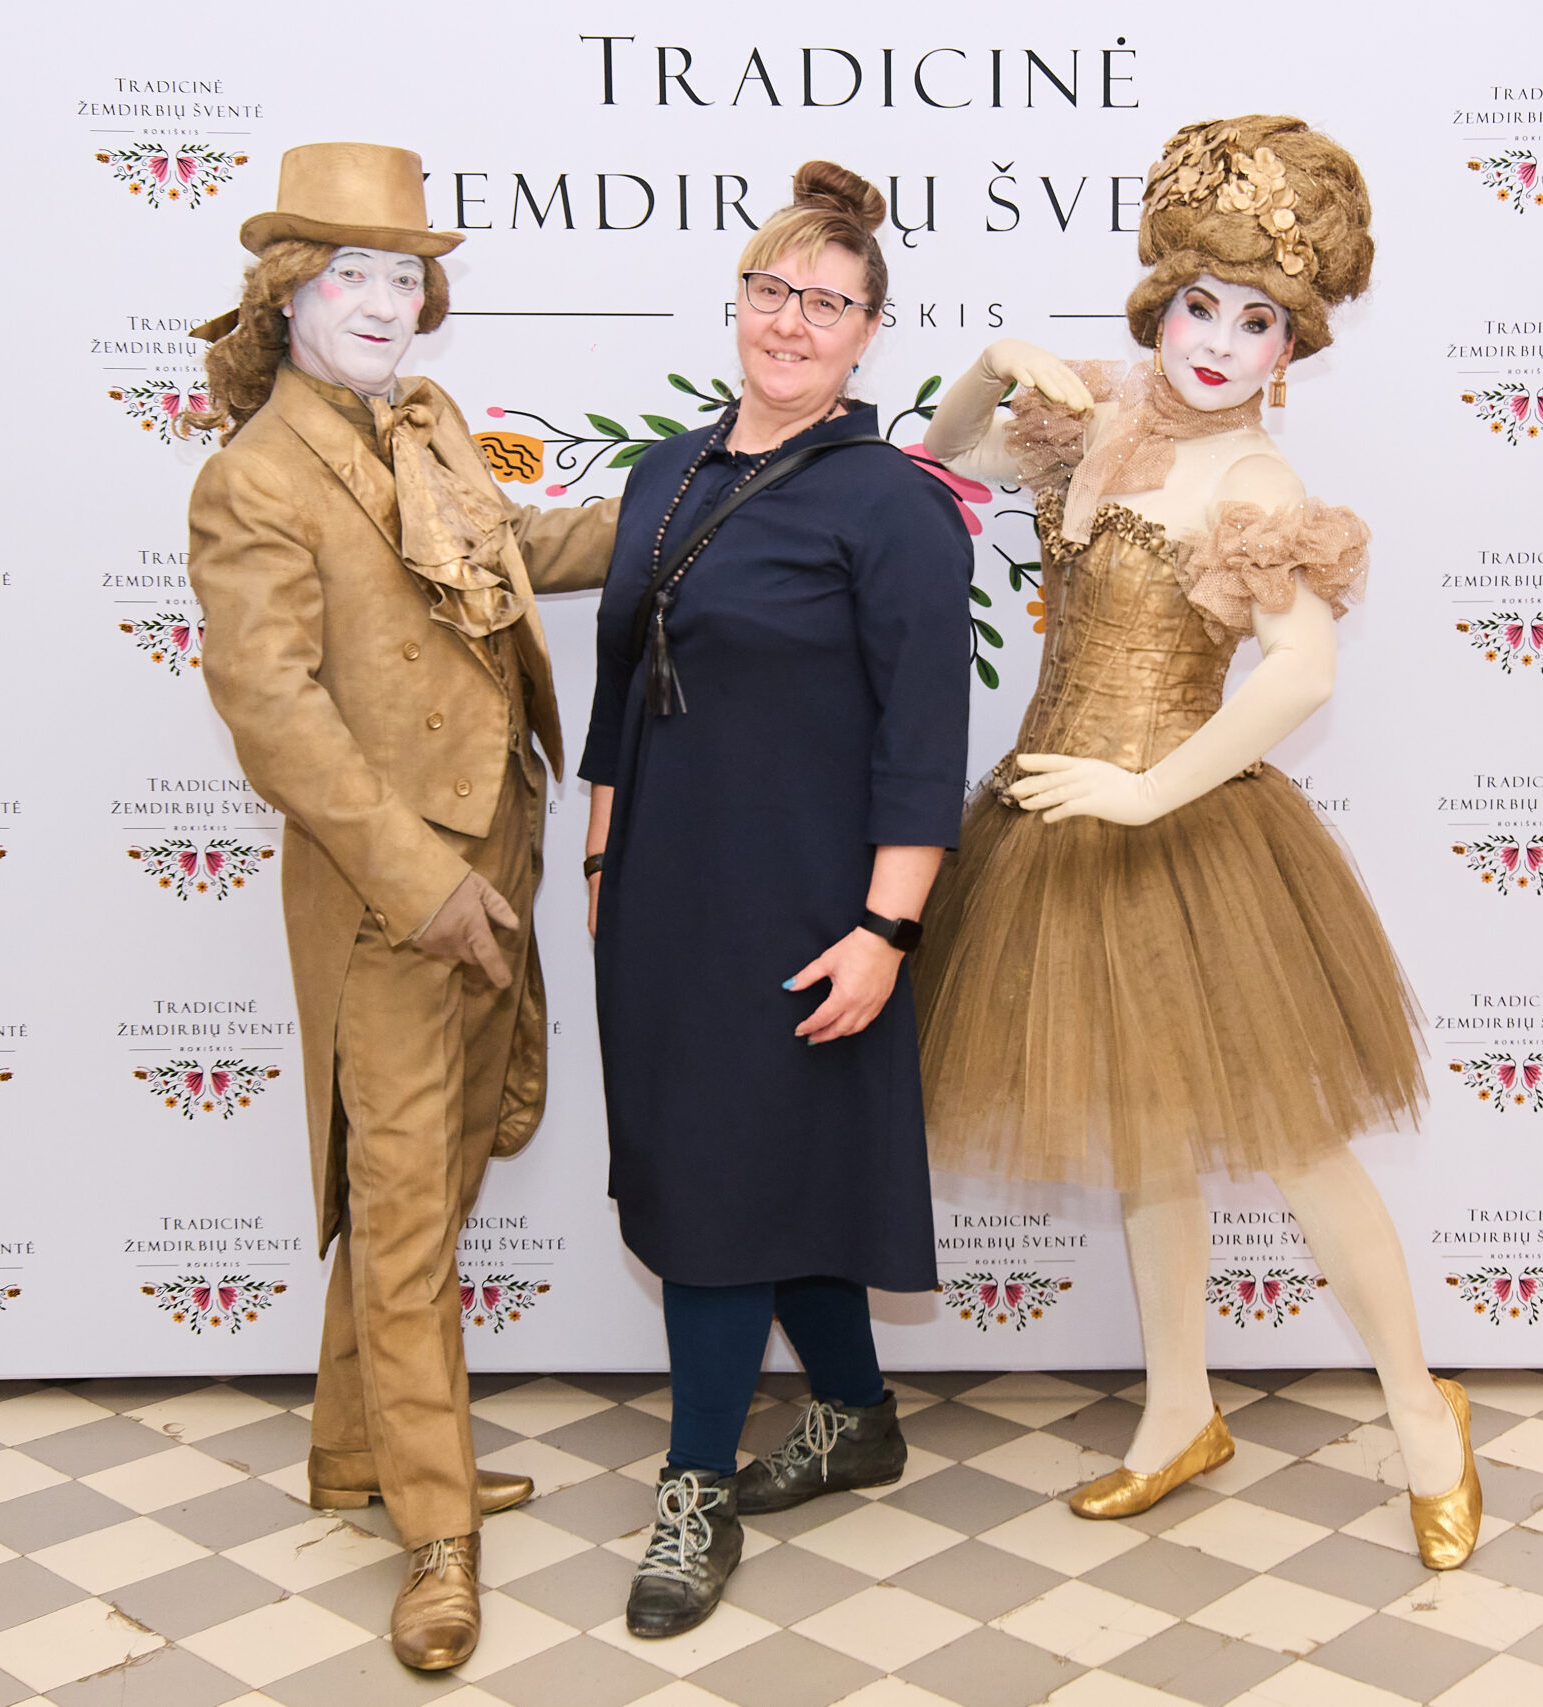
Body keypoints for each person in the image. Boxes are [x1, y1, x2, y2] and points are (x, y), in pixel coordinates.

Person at [915, 116, 1481, 1570]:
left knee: (1297, 1144)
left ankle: (1423, 1415)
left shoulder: (1258, 488)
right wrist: (994, 360)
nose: (1222, 344)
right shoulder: (1100, 413)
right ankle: (1178, 1411)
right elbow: (943, 454)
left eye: (1258, 322)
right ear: (1158, 307)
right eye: (1201, 309)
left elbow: (1302, 677)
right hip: (1055, 814)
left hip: (1179, 830)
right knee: (1145, 1135)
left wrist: (1146, 795)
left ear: (1292, 347)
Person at [184, 142, 619, 1670]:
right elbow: (274, 713)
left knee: (427, 1174)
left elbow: (514, 554)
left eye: (400, 276)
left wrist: (682, 498)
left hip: (500, 845)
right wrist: (421, 880)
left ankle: (351, 1449)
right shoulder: (251, 478)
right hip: (393, 894)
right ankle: (437, 1537)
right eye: (347, 276)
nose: (380, 301)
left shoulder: (423, 425)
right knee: (409, 1206)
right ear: (288, 297)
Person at [580, 160, 972, 1638]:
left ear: (869, 331)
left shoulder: (896, 504)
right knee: (756, 1167)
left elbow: (924, 740)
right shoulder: (662, 473)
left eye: (828, 301)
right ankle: (856, 1415)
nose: (792, 321)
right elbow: (621, 686)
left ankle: (695, 1486)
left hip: (811, 904)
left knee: (724, 1187)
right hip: (663, 890)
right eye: (772, 290)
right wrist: (603, 856)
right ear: (736, 300)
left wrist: (886, 931)